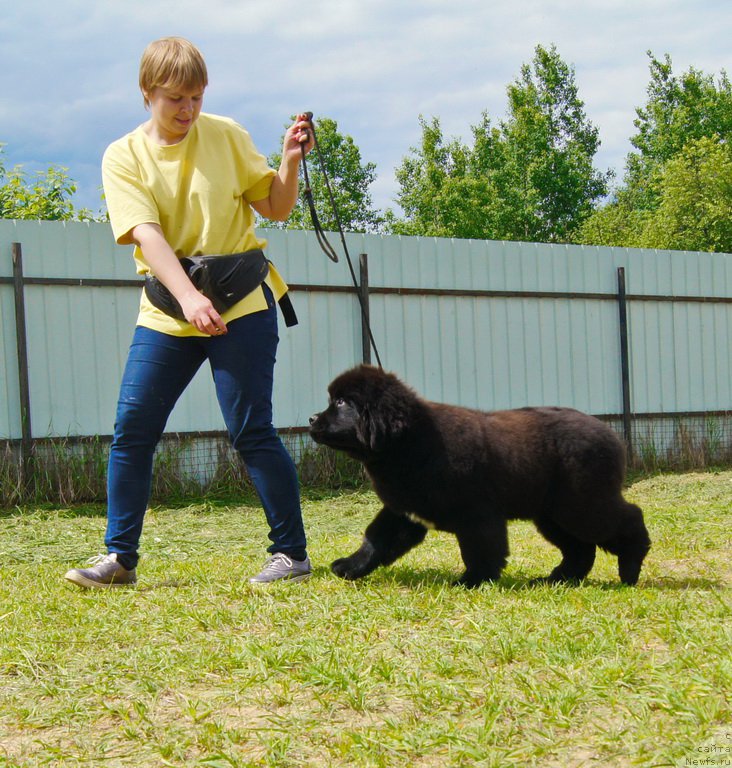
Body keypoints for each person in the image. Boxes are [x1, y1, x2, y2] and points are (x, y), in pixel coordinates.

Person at [65, 36, 312, 588]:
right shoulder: (123, 155)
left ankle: (290, 554)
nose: (188, 110)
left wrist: (290, 162)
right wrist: (190, 298)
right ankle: (120, 559)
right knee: (133, 428)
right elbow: (147, 235)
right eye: (176, 98)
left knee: (251, 429)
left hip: (243, 302)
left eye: (197, 97)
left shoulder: (226, 135)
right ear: (147, 92)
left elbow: (274, 205)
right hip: (170, 308)